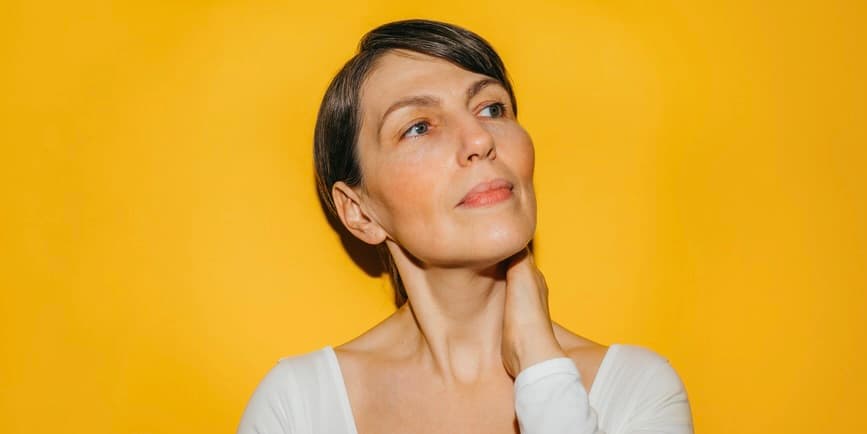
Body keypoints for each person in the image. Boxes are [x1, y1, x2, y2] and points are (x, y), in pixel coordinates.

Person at [237, 19, 693, 434]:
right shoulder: (298, 408)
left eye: (491, 109)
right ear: (359, 212)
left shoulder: (635, 392)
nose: (479, 139)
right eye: (418, 127)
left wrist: (541, 367)